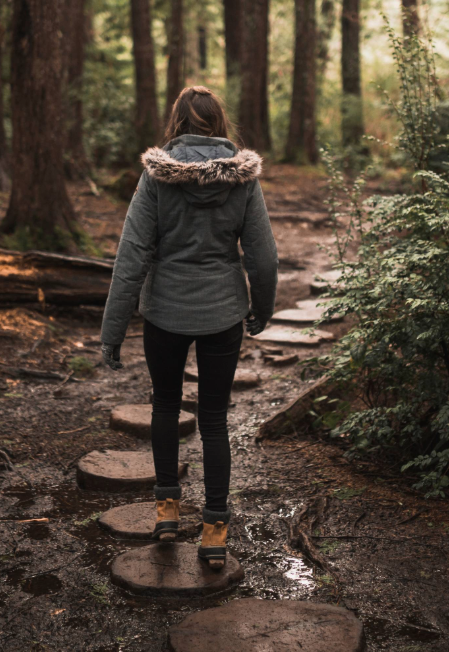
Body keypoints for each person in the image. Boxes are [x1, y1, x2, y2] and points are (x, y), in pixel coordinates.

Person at [100, 86, 278, 569]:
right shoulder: (243, 179)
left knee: (164, 407)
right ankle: (215, 529)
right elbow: (261, 255)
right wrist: (262, 308)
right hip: (223, 312)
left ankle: (166, 512)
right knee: (215, 419)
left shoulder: (155, 177)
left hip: (165, 312)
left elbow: (132, 254)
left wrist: (112, 330)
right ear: (219, 123)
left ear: (176, 123)